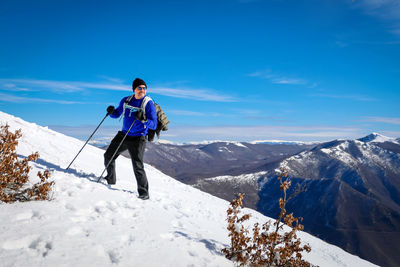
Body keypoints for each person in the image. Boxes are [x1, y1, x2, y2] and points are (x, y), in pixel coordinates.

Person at [104, 78, 157, 200]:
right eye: (139, 88)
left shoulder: (148, 103)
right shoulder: (126, 100)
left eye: (144, 88)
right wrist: (111, 112)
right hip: (124, 135)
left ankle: (144, 193)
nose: (142, 90)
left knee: (137, 166)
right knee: (108, 155)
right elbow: (117, 114)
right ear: (134, 89)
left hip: (139, 138)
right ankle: (110, 179)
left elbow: (154, 124)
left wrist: (144, 119)